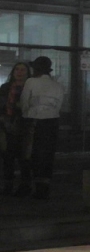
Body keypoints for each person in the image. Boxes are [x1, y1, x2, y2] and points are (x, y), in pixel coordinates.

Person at [19, 56, 66, 200]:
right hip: (52, 122)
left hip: (33, 120)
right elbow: (58, 106)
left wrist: (26, 115)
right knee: (46, 154)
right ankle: (43, 188)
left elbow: (24, 102)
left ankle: (26, 185)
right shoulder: (58, 86)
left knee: (29, 153)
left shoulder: (31, 82)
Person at [1, 61, 30, 195]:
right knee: (7, 156)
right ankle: (8, 184)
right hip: (7, 124)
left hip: (24, 126)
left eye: (22, 70)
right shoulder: (6, 87)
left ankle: (25, 185)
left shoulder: (30, 87)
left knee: (24, 156)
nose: (19, 72)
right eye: (17, 69)